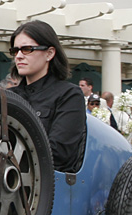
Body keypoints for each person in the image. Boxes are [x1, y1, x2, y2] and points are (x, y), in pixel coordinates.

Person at [7, 20, 85, 173]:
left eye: (27, 49)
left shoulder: (69, 95)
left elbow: (59, 153)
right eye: (15, 51)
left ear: (49, 53)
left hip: (45, 185)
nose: (19, 56)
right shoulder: (8, 96)